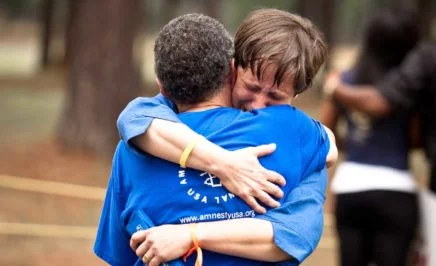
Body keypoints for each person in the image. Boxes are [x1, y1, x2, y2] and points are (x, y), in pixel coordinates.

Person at [95, 12, 333, 266]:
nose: (258, 105)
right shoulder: (299, 136)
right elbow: (134, 116)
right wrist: (223, 163)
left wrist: (191, 235)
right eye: (252, 87)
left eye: (275, 97)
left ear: (295, 96)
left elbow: (293, 236)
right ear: (232, 69)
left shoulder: (300, 137)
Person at [320, 8, 420, 266]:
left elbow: (324, 131)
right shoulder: (409, 87)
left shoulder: (345, 82)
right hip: (397, 188)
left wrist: (354, 143)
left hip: (351, 186)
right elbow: (415, 137)